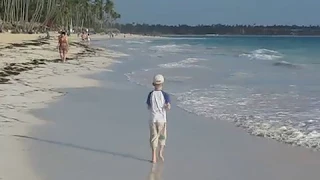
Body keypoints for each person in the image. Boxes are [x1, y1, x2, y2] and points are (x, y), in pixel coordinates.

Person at [146, 74, 171, 163]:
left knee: (153, 137)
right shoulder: (165, 95)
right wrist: (166, 106)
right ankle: (160, 152)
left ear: (153, 84)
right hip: (162, 120)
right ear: (162, 83)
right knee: (162, 136)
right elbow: (168, 107)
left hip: (153, 119)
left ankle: (154, 157)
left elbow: (149, 106)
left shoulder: (150, 94)